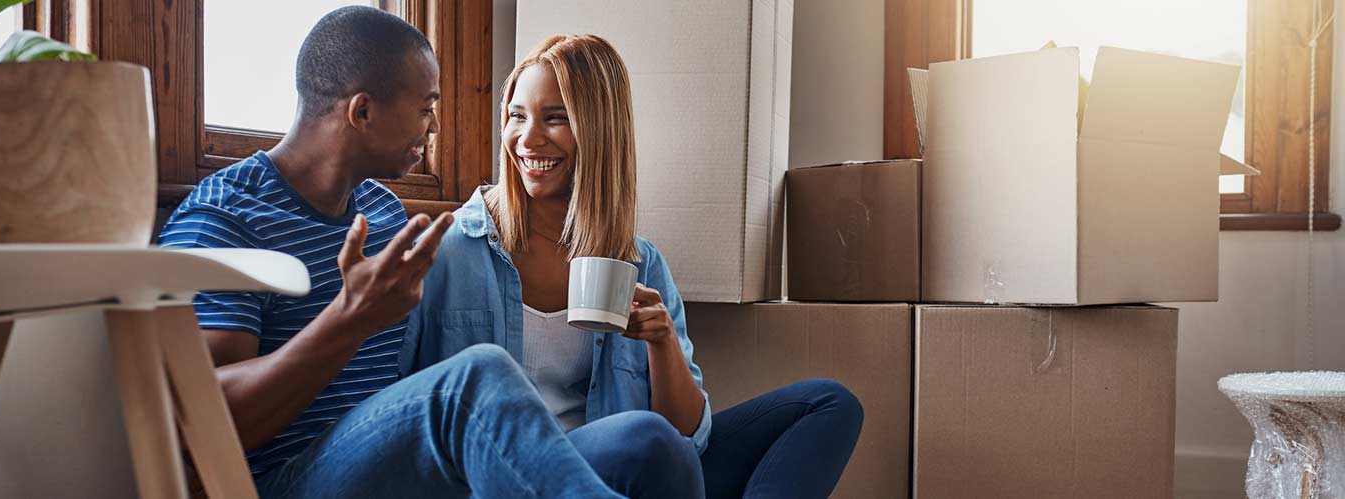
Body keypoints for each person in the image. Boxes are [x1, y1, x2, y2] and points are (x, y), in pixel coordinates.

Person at [160, 8, 629, 498]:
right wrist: (348, 319)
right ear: (362, 112)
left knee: (640, 441)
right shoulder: (227, 217)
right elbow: (200, 427)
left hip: (394, 463)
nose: (434, 127)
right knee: (474, 377)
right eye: (426, 107)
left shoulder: (381, 211)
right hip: (278, 483)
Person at [405, 34, 865, 499]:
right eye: (517, 116)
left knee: (829, 404)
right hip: (511, 477)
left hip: (622, 472)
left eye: (555, 118)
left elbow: (687, 436)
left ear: (600, 129)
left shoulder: (639, 263)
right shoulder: (448, 251)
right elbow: (396, 413)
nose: (527, 139)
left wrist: (662, 342)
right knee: (644, 440)